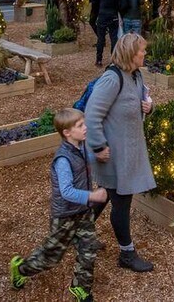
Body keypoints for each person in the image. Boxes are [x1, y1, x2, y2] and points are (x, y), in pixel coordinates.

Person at [9, 108, 108, 301]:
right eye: (81, 125)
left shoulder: (81, 146)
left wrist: (97, 156)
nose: (86, 128)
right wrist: (92, 196)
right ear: (67, 133)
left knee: (88, 250)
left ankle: (80, 288)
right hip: (65, 216)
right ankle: (21, 269)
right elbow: (67, 192)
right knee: (51, 257)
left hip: (83, 213)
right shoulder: (62, 159)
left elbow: (84, 160)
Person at [85, 34, 155, 273]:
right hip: (112, 154)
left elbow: (137, 103)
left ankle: (78, 232)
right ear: (129, 54)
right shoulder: (111, 79)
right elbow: (92, 115)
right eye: (141, 51)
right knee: (121, 203)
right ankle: (127, 253)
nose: (145, 54)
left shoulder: (135, 75)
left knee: (105, 196)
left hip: (129, 152)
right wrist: (98, 147)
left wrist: (149, 106)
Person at [93, 0, 124, 66]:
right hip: (113, 15)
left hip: (102, 14)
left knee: (101, 38)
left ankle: (99, 60)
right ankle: (113, 60)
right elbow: (122, 2)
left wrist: (100, 4)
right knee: (114, 38)